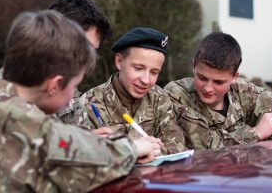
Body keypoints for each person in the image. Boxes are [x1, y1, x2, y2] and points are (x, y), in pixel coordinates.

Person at [0, 10, 158, 193]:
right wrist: (135, 147)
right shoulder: (18, 119)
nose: (73, 96)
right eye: (74, 85)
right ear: (55, 85)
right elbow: (77, 156)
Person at [0, 0, 113, 136]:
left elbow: (68, 140)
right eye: (84, 49)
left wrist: (91, 140)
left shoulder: (66, 84)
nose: (87, 61)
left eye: (92, 51)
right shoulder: (3, 98)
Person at [164, 32, 272, 150]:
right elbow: (203, 147)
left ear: (234, 77)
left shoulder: (248, 93)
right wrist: (256, 133)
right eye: (202, 78)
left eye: (219, 82)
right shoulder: (177, 94)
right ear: (193, 67)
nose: (208, 88)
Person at [74, 27, 187, 155]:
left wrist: (151, 151)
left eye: (154, 72)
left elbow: (177, 147)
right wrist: (137, 150)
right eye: (138, 68)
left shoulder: (159, 98)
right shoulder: (90, 103)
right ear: (119, 61)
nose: (146, 80)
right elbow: (84, 156)